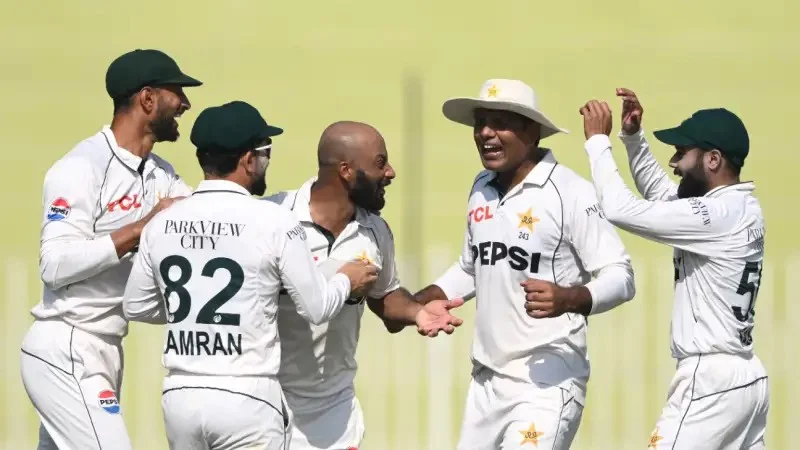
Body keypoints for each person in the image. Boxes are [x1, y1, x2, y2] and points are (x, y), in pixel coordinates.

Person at [121, 101, 381, 449]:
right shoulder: (274, 220)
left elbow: (136, 306)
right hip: (247, 394)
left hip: (181, 395)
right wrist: (347, 279)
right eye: (265, 153)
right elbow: (317, 307)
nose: (266, 163)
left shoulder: (163, 222)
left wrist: (198, 313)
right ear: (248, 159)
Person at [413, 78, 637, 450]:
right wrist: (416, 303)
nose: (485, 133)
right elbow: (471, 267)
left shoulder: (571, 191)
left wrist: (568, 298)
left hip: (547, 382)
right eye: (480, 123)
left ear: (532, 131)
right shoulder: (482, 186)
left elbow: (621, 276)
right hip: (486, 384)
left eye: (500, 123)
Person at [19, 48, 202, 450]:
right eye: (177, 93)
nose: (186, 104)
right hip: (67, 344)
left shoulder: (161, 174)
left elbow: (210, 214)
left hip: (105, 350)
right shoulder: (81, 166)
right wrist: (138, 230)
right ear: (148, 98)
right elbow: (54, 265)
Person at [579, 89, 769, 449]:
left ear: (713, 159)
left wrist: (598, 142)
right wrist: (633, 138)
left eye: (682, 152)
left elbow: (620, 209)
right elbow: (664, 196)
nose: (674, 161)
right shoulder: (739, 207)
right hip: (746, 379)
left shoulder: (715, 215)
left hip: (711, 380)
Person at [264, 120, 465, 450]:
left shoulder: (375, 232)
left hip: (334, 416)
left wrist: (417, 312)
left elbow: (385, 297)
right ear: (346, 170)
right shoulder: (273, 217)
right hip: (268, 406)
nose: (391, 172)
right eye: (380, 163)